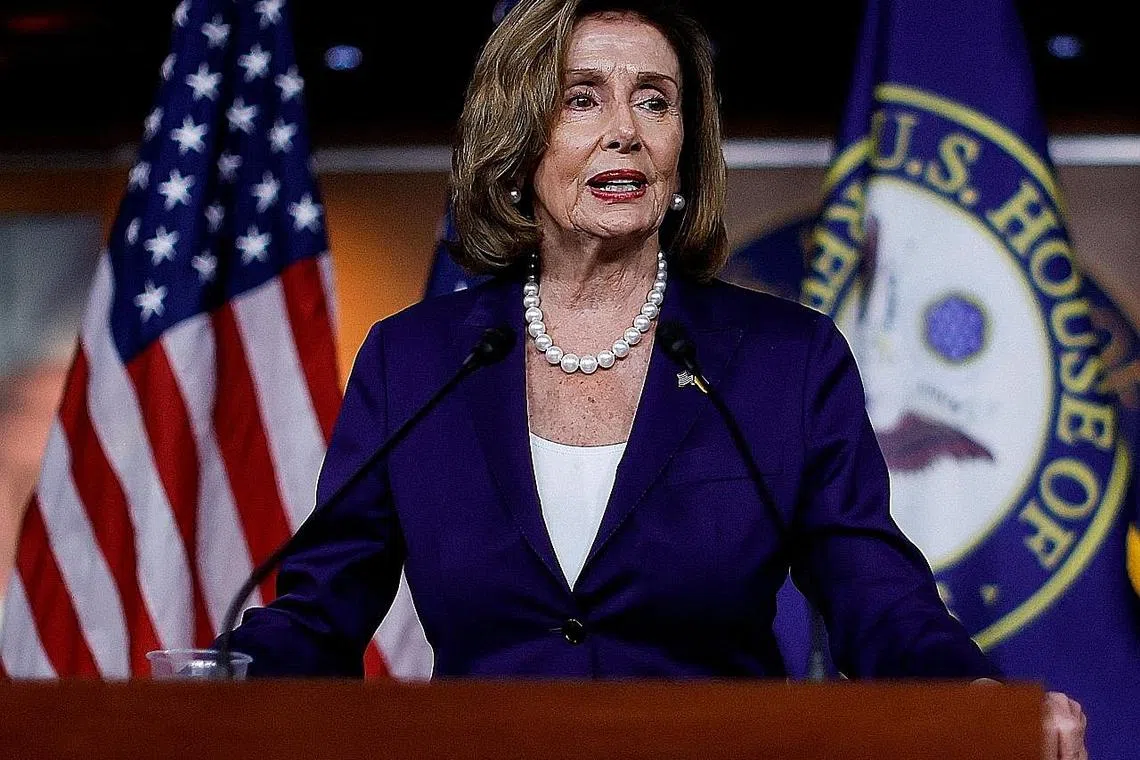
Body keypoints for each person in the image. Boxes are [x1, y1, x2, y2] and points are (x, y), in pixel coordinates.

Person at [225, 0, 1087, 755]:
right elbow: (321, 611)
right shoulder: (415, 363)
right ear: (518, 139)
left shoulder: (785, 362)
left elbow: (875, 595)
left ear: (683, 148)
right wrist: (217, 683)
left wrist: (977, 697)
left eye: (654, 100)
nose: (625, 131)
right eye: (582, 98)